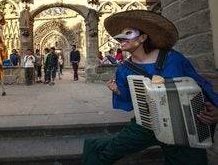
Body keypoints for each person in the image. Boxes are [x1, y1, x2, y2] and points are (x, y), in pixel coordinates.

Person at [82, 10, 218, 165]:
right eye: (120, 34)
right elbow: (129, 102)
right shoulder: (123, 69)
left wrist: (216, 108)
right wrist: (119, 91)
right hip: (146, 123)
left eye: (127, 33)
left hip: (183, 126)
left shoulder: (172, 58)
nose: (120, 38)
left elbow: (200, 84)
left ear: (143, 37)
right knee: (105, 152)